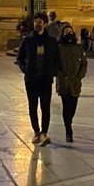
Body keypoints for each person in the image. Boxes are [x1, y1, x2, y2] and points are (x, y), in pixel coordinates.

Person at [16, 11, 60, 146]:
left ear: (45, 24)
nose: (37, 24)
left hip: (45, 80)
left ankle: (44, 133)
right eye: (35, 22)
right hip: (31, 79)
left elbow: (57, 60)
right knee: (32, 106)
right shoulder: (27, 39)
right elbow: (19, 58)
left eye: (40, 22)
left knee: (45, 106)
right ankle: (36, 132)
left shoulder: (51, 42)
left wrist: (51, 72)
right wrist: (25, 69)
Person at [55, 22, 88, 142]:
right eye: (66, 32)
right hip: (63, 82)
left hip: (75, 82)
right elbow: (54, 64)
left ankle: (69, 122)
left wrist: (80, 76)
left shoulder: (78, 48)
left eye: (70, 32)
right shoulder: (58, 48)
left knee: (73, 107)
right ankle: (68, 130)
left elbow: (84, 63)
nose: (69, 34)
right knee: (66, 105)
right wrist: (60, 74)